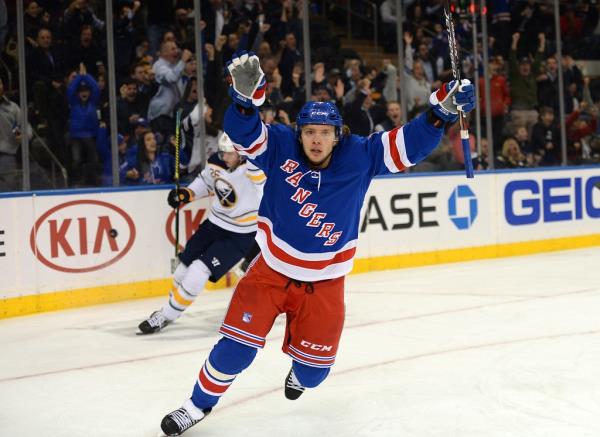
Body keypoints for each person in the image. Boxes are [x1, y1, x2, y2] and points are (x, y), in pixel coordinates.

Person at [158, 51, 475, 436]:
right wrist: (243, 103)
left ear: (338, 135)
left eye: (325, 132)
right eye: (309, 131)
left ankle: (302, 371)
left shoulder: (361, 154)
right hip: (270, 273)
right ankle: (196, 405)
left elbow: (410, 144)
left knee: (313, 375)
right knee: (234, 349)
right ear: (300, 132)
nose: (317, 139)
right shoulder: (278, 145)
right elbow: (245, 134)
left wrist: (438, 114)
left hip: (326, 283)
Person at [138, 132, 265, 334]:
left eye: (229, 153)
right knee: (182, 271)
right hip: (213, 224)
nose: (224, 157)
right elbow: (206, 182)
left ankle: (166, 315)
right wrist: (186, 194)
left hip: (240, 234)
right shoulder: (217, 161)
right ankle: (170, 309)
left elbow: (262, 181)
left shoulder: (256, 167)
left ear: (241, 153)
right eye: (222, 152)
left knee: (198, 269)